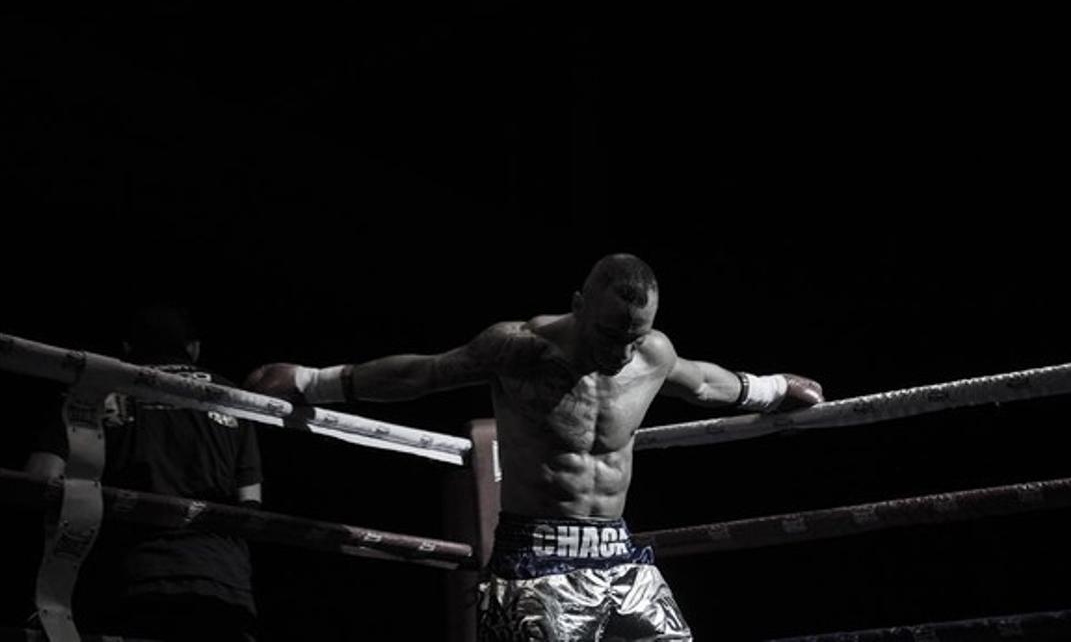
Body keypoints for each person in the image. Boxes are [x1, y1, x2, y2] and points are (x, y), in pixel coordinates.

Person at [245, 253, 823, 640]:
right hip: (535, 559)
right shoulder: (518, 350)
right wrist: (310, 381)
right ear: (578, 305)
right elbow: (421, 374)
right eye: (609, 334)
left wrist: (775, 388)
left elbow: (705, 383)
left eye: (634, 336)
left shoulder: (652, 354)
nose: (622, 351)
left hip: (619, 556)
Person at [25, 303, 262, 642]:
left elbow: (41, 477)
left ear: (127, 349)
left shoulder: (96, 391)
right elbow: (251, 505)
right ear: (194, 349)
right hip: (222, 581)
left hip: (128, 575)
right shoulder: (230, 397)